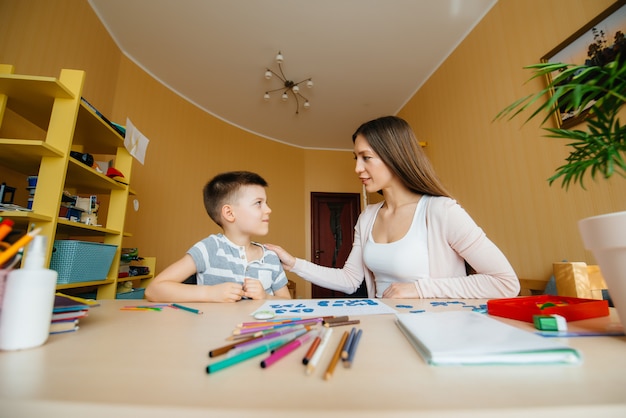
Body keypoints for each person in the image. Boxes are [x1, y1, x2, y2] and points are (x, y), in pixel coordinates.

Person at [266, 116, 519, 299]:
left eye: (366, 158)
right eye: (356, 159)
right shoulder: (367, 218)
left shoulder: (442, 211)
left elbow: (505, 283)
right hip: (385, 328)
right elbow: (350, 280)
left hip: (438, 332)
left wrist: (418, 289)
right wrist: (293, 263)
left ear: (394, 156)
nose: (357, 169)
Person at [146, 171, 291, 302]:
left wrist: (265, 297)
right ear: (229, 213)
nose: (269, 210)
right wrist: (210, 293)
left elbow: (287, 301)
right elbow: (154, 290)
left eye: (266, 202)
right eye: (258, 203)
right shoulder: (209, 248)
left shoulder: (271, 257)